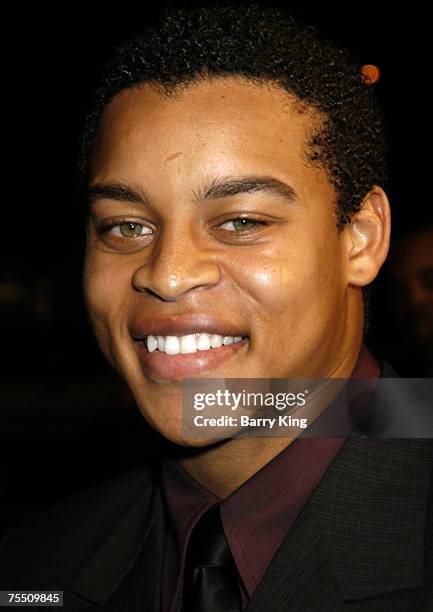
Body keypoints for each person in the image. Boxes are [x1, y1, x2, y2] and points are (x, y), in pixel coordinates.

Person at [1, 3, 432, 610]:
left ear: (360, 238)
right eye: (125, 227)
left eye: (241, 221)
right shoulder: (32, 569)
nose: (169, 275)